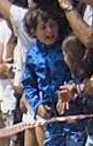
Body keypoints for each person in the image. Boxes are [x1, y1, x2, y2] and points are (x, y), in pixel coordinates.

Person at [22, 9, 85, 145]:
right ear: (33, 31)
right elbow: (28, 85)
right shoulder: (32, 54)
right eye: (43, 28)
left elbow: (79, 73)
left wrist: (71, 89)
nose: (49, 31)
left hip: (71, 111)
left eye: (52, 25)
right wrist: (37, 106)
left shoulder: (66, 47)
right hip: (49, 115)